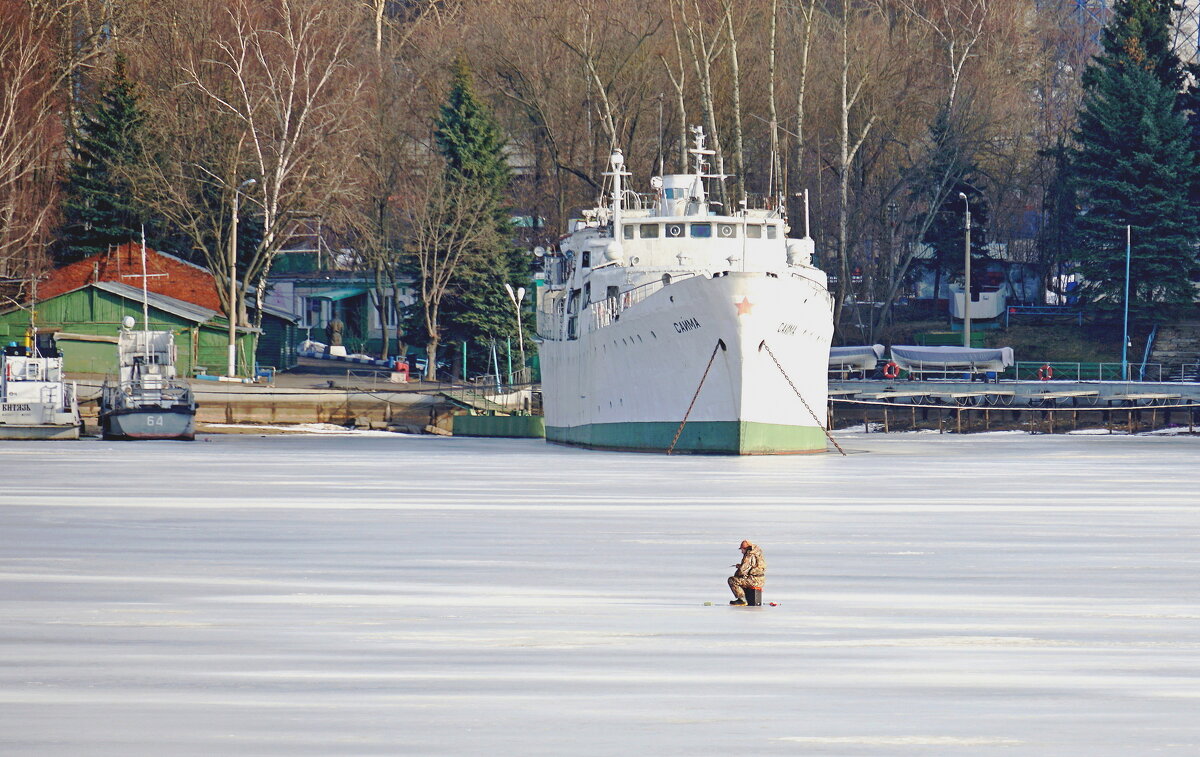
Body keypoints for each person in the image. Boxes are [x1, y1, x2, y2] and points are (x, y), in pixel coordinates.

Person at [728, 540, 765, 605]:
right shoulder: (757, 553)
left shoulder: (749, 555)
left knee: (732, 580)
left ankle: (742, 599)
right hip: (760, 580)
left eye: (742, 549)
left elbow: (743, 570)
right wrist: (740, 566)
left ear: (745, 548)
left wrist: (738, 572)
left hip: (753, 580)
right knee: (740, 579)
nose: (741, 552)